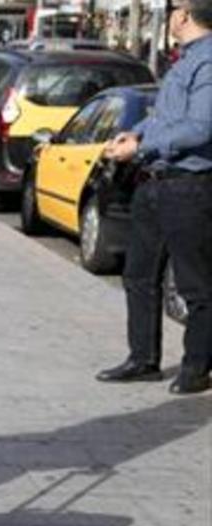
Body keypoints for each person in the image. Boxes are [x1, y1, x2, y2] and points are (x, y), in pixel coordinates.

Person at [99, 0, 212, 395]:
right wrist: (137, 135)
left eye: (174, 8)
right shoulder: (184, 61)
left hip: (188, 184)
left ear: (185, 15)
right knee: (139, 275)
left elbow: (200, 128)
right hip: (155, 179)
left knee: (195, 285)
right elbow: (166, 118)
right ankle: (142, 359)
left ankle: (196, 367)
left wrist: (142, 148)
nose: (169, 16)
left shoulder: (208, 63)